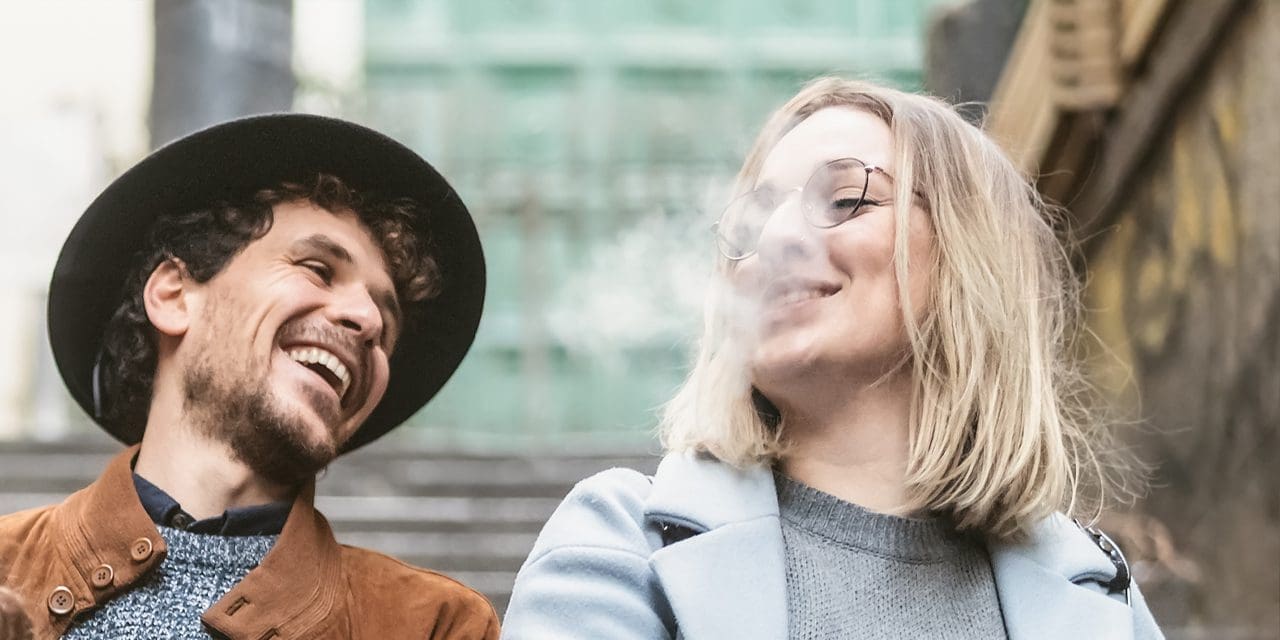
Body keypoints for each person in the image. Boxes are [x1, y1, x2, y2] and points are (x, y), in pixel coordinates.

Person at [501, 78, 1163, 639]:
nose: (781, 238)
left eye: (846, 200)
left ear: (968, 257)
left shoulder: (1098, 593)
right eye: (751, 223)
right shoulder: (621, 543)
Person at [0, 114, 498, 639]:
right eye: (318, 269)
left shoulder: (434, 625)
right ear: (173, 296)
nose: (369, 322)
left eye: (387, 323)